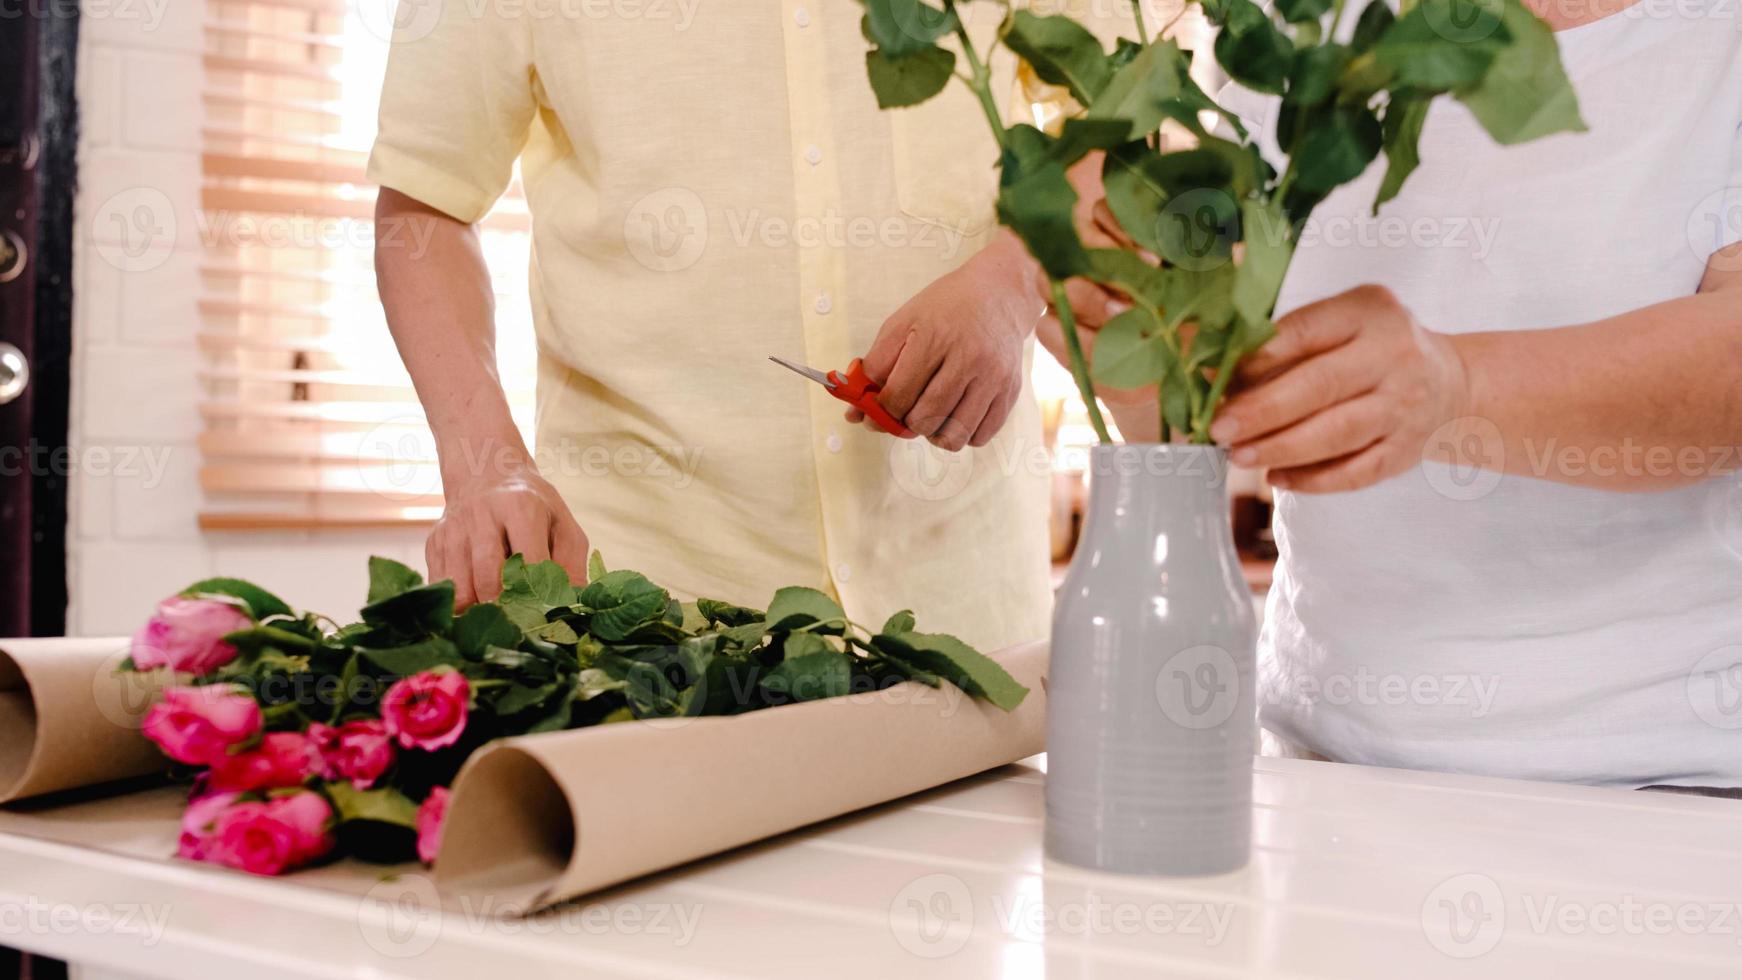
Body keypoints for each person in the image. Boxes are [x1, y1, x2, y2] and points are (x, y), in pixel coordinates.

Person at [1053, 0, 1742, 789]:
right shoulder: (1284, 40)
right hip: (1321, 765)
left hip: (1671, 782)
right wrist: (1140, 377)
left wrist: (1457, 388)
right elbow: (1202, 425)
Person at [365, 2, 1088, 653]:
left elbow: (1128, 114)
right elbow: (426, 203)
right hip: (646, 620)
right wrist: (485, 465)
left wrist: (1014, 278)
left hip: (966, 611)